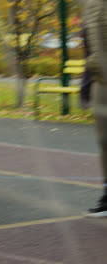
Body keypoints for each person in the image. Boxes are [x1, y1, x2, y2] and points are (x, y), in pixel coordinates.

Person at [83, 0, 107, 217]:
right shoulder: (92, 5)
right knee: (104, 141)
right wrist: (86, 83)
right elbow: (88, 44)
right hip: (101, 82)